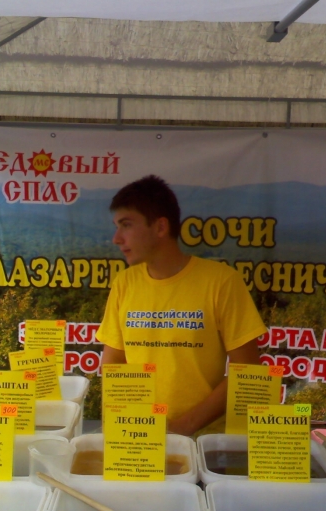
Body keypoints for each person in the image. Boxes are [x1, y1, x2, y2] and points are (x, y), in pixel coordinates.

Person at [96, 175, 267, 436]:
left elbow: (248, 371)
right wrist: (129, 425)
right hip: (138, 439)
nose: (116, 238)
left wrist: (181, 428)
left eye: (126, 225)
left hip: (205, 444)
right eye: (116, 226)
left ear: (160, 227)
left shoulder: (221, 281)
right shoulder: (124, 283)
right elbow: (114, 363)